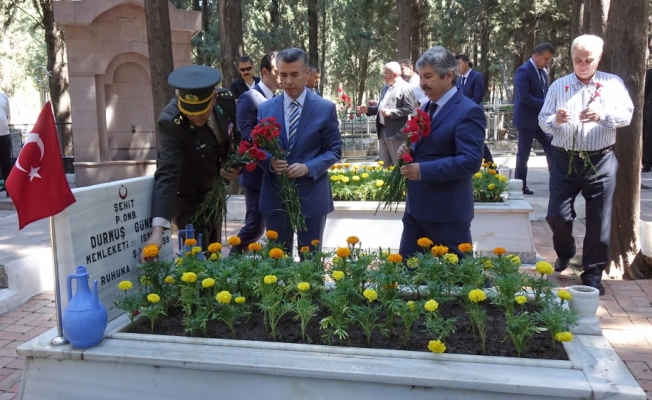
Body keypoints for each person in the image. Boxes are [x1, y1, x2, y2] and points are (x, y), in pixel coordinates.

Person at [539, 34, 633, 295]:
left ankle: (592, 274)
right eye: (577, 60)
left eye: (588, 60)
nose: (582, 65)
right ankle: (565, 251)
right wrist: (556, 119)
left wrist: (604, 116)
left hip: (600, 159)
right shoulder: (559, 85)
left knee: (599, 220)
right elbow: (543, 121)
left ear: (598, 58)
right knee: (557, 214)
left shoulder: (613, 84)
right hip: (564, 159)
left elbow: (626, 114)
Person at [142, 65, 241, 260]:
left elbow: (235, 137)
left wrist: (236, 165)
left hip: (213, 192)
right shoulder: (171, 121)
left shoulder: (226, 101)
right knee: (197, 257)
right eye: (190, 113)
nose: (195, 117)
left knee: (213, 252)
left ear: (213, 98)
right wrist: (157, 232)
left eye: (201, 112)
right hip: (186, 196)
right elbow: (168, 173)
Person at [397, 46, 485, 260]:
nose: (422, 83)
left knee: (458, 284)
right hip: (416, 212)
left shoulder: (468, 110)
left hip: (448, 214)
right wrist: (407, 150)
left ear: (449, 76)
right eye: (421, 77)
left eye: (428, 76)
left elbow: (471, 161)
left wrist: (422, 171)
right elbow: (425, 146)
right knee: (407, 280)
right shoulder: (426, 108)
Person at [257, 47, 341, 254]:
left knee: (311, 263)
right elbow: (256, 147)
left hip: (311, 196)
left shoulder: (324, 108)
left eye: (294, 75)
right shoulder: (266, 109)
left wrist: (308, 167)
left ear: (306, 73)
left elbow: (334, 150)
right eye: (283, 75)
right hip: (276, 196)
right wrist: (269, 162)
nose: (288, 82)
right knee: (277, 263)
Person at [230, 51, 280, 254]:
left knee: (274, 229)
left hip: (277, 176)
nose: (282, 76)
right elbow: (247, 138)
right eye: (278, 71)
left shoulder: (279, 99)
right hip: (257, 176)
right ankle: (231, 266)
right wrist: (268, 159)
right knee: (254, 228)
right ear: (265, 72)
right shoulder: (249, 98)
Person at [513, 42, 556, 195]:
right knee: (523, 154)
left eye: (549, 59)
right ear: (536, 55)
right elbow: (524, 97)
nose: (547, 62)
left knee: (552, 148)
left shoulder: (543, 71)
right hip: (526, 120)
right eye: (546, 59)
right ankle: (520, 185)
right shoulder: (523, 71)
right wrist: (546, 105)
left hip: (541, 120)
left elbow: (545, 91)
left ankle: (556, 182)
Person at [357, 62, 415, 166]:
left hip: (396, 133)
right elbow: (381, 108)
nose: (384, 77)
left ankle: (401, 183)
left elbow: (409, 108)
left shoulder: (405, 88)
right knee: (384, 164)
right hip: (383, 130)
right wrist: (368, 110)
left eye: (386, 74)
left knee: (399, 164)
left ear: (395, 74)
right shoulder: (385, 88)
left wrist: (391, 113)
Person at [455, 54, 493, 163]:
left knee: (479, 142)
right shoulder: (458, 80)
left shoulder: (477, 76)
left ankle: (492, 169)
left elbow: (477, 97)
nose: (457, 67)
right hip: (461, 116)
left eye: (459, 64)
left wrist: (465, 109)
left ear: (466, 63)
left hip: (474, 115)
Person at [641, 68, 652, 172]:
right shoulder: (650, 73)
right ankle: (647, 162)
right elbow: (646, 92)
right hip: (650, 108)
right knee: (649, 136)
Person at [0, 91, 11, 189]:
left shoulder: (3, 97)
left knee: (6, 163)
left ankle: (9, 188)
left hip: (4, 134)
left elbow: (7, 115)